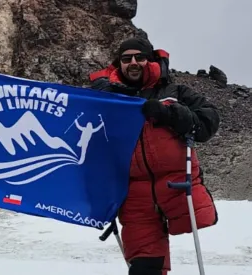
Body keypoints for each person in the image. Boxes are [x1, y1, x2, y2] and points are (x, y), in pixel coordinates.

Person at [88, 37, 220, 275]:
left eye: (140, 57)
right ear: (119, 64)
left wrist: (170, 114)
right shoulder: (106, 99)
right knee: (144, 268)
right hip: (134, 196)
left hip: (177, 185)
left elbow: (208, 123)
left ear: (150, 60)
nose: (134, 63)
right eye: (127, 59)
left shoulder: (175, 92)